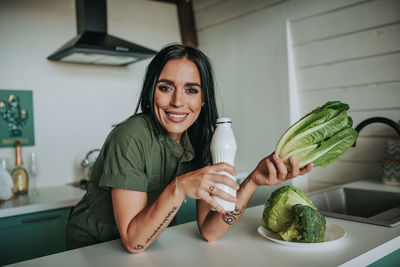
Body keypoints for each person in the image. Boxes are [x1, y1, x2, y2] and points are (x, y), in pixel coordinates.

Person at [66, 43, 313, 252]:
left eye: (191, 90)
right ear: (151, 92)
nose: (177, 102)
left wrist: (252, 182)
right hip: (94, 248)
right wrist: (179, 187)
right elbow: (133, 241)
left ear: (203, 99)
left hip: (146, 246)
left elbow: (210, 230)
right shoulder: (131, 137)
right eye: (165, 88)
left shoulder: (202, 139)